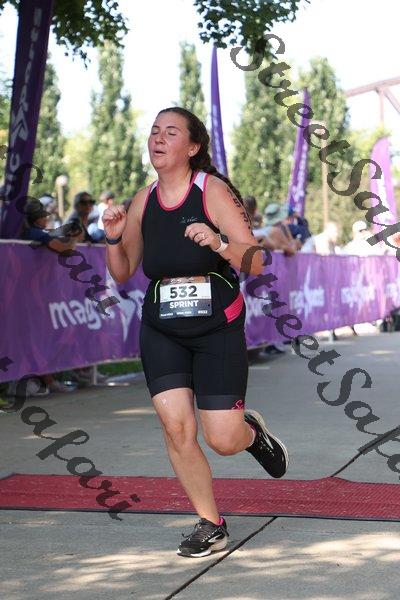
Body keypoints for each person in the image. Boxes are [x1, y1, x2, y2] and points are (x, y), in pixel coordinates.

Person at [103, 107, 289, 558]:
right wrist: (112, 237)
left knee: (222, 439)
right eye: (154, 131)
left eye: (171, 132)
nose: (158, 139)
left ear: (192, 147)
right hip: (162, 327)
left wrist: (220, 243)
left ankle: (250, 432)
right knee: (176, 427)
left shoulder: (212, 191)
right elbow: (123, 272)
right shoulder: (143, 200)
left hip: (215, 326)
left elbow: (257, 261)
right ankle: (211, 523)